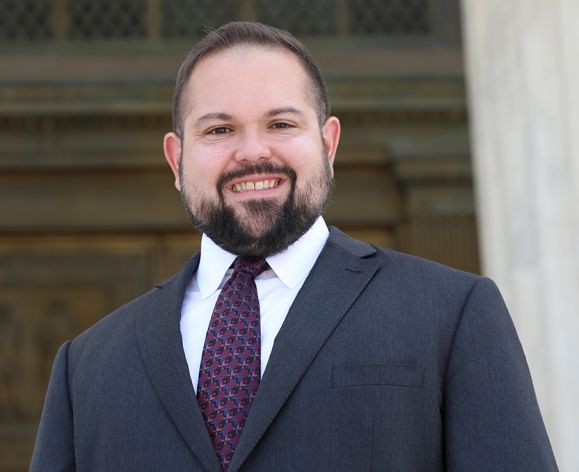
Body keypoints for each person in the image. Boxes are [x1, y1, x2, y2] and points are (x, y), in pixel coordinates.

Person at [30, 22, 558, 472]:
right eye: (219, 129)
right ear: (176, 159)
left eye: (281, 124)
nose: (253, 151)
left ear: (328, 144)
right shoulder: (86, 367)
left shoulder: (454, 313)